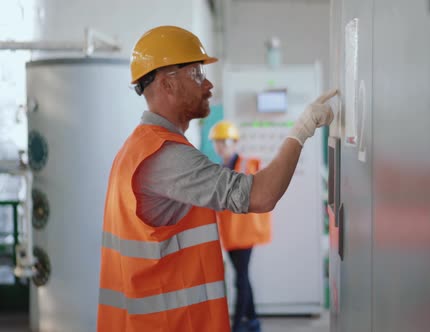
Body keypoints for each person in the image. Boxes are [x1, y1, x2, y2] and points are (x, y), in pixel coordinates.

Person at [96, 25, 338, 332]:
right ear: (167, 84)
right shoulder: (165, 156)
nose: (208, 84)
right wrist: (301, 129)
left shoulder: (138, 148)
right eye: (197, 74)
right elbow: (260, 195)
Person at [209, 120, 271, 332]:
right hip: (230, 234)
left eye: (225, 142)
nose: (221, 146)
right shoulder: (220, 169)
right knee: (243, 277)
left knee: (240, 279)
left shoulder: (247, 165)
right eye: (217, 142)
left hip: (244, 234)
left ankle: (236, 326)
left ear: (234, 143)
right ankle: (253, 321)